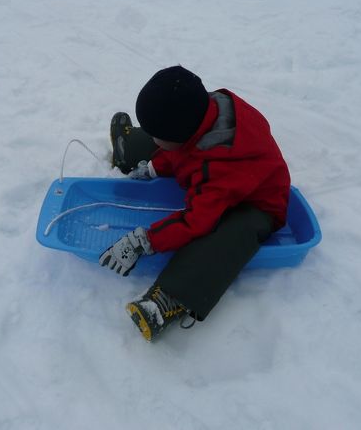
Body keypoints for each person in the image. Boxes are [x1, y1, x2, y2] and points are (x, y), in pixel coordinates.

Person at [100, 65, 290, 342]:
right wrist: (153, 167)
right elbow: (185, 149)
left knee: (230, 234)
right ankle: (130, 147)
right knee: (158, 144)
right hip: (210, 162)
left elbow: (195, 221)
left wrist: (145, 240)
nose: (157, 139)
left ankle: (170, 297)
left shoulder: (218, 172)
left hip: (255, 203)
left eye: (159, 136)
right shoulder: (202, 112)